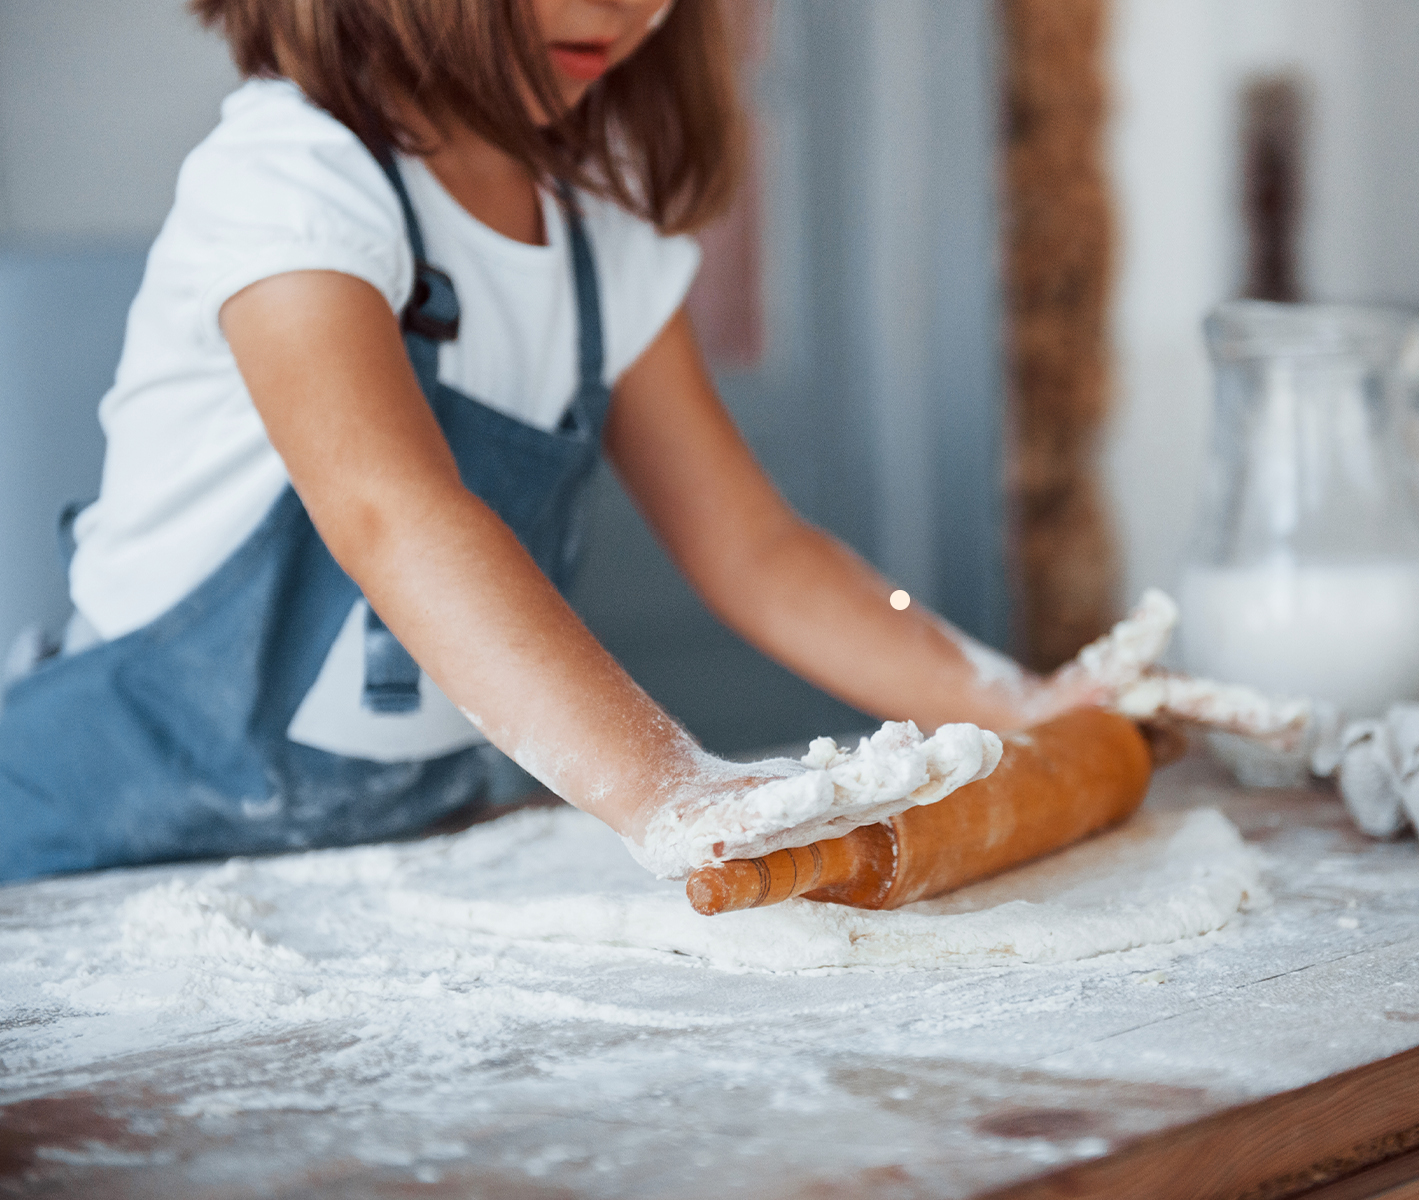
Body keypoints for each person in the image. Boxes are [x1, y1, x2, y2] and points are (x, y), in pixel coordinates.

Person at [0, 0, 1118, 884]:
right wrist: (666, 787)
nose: (626, 5)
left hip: (381, 857)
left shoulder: (600, 230)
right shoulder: (291, 182)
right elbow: (394, 514)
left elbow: (761, 550)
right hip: (88, 856)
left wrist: (1015, 700)